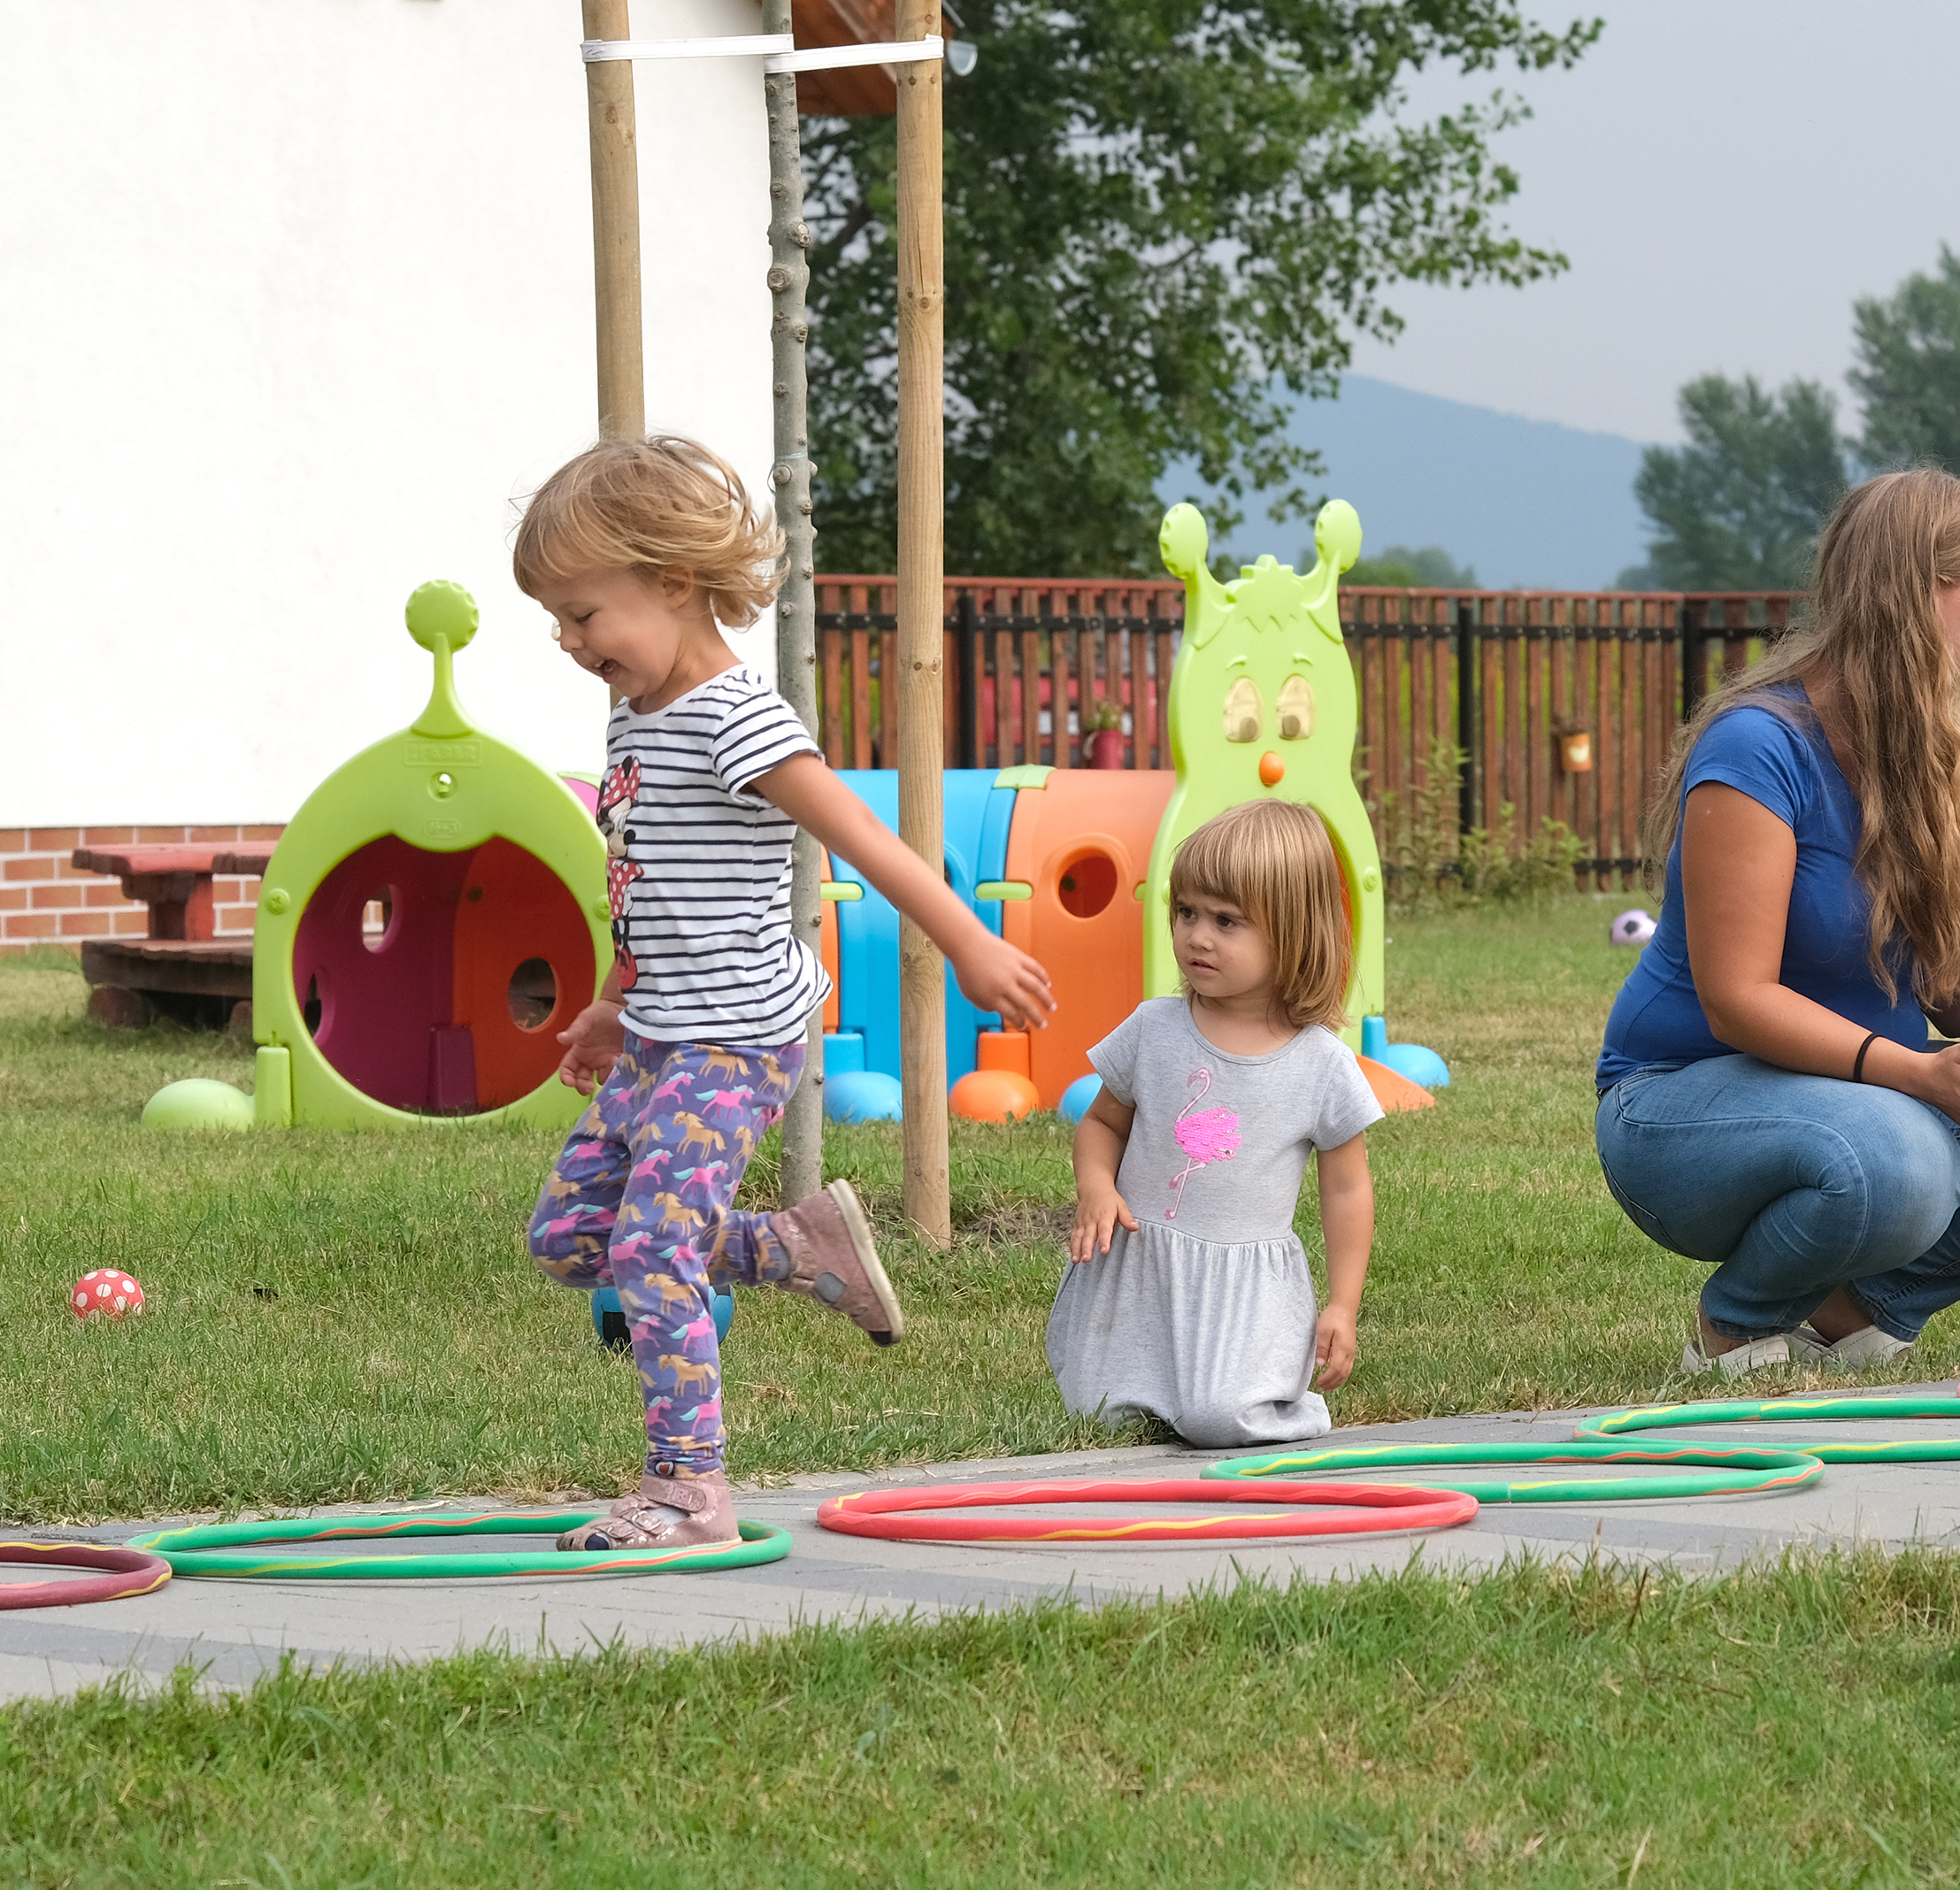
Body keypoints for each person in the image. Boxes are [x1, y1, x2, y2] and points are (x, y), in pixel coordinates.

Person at [515, 434, 1056, 1548]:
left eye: (584, 614)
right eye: (558, 622)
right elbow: (644, 874)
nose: (570, 643)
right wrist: (620, 1000)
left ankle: (689, 1490)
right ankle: (796, 1246)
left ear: (672, 584)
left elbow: (863, 835)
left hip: (738, 1043)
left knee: (652, 1252)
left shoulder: (736, 717)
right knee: (570, 1235)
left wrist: (968, 943)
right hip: (666, 1030)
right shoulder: (635, 711)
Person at [1595, 468, 1960, 1377]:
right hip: (1684, 1104)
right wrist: (1915, 1076)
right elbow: (1737, 999)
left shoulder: (1927, 752)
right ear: (1921, 592)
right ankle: (1735, 1326)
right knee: (1909, 1161)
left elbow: (1948, 989)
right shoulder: (1757, 747)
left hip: (1877, 1100)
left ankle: (1852, 1313)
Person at [1049, 797, 1382, 1446]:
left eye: (1227, 921)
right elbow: (1102, 1125)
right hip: (1139, 1268)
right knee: (1097, 1414)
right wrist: (1096, 1184)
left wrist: (1342, 1304)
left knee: (1216, 1419)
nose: (1196, 936)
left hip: (1241, 1291)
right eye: (1186, 913)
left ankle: (1285, 1400)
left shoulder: (1320, 1064)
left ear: (1291, 934)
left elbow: (1347, 1189)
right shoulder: (1152, 1029)